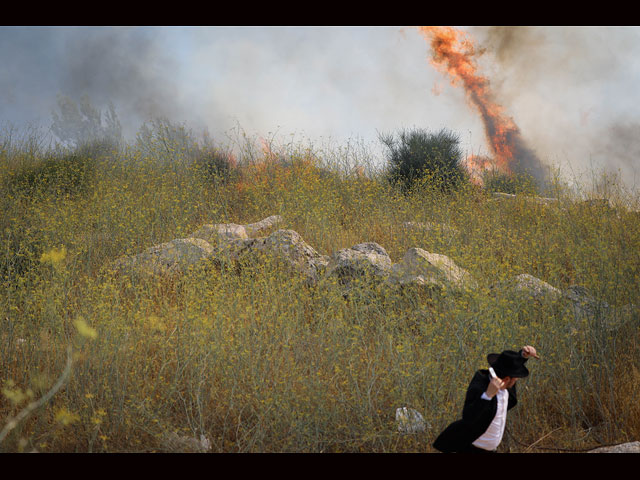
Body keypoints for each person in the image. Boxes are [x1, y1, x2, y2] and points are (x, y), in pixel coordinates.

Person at [432, 345, 539, 453]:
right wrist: (487, 396)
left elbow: (510, 365)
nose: (516, 380)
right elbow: (468, 416)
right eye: (515, 378)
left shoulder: (506, 387)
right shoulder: (480, 386)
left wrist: (523, 356)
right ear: (507, 379)